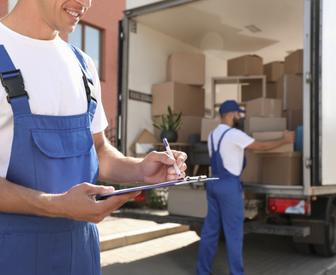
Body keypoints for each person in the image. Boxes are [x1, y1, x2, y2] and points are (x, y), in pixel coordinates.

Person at [0, 0, 187, 274]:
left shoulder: (83, 64)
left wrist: (140, 169)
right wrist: (56, 206)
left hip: (82, 254)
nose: (86, 3)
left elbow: (98, 149)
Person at [197, 100, 295, 275]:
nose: (240, 117)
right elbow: (262, 147)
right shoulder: (234, 134)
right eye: (238, 114)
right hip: (228, 186)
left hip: (213, 183)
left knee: (210, 231)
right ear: (230, 114)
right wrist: (284, 139)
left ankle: (203, 272)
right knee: (233, 233)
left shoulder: (212, 135)